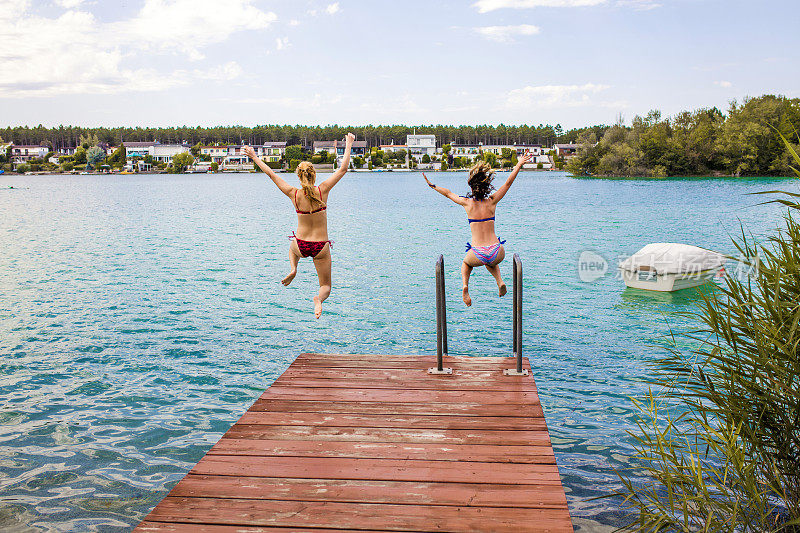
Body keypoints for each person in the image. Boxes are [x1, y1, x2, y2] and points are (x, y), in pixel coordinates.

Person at [243, 133, 356, 318]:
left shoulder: (293, 193)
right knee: (325, 286)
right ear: (314, 175)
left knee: (292, 245)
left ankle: (293, 268)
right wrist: (349, 143)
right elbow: (343, 169)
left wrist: (254, 156)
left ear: (299, 176)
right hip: (320, 247)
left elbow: (271, 174)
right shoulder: (323, 190)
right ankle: (318, 300)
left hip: (301, 244)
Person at [423, 153, 532, 306]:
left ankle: (465, 286)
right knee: (491, 260)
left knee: (466, 264)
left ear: (472, 188)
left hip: (478, 253)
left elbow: (448, 193)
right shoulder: (492, 201)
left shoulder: (467, 203)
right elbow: (508, 183)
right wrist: (519, 164)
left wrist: (433, 186)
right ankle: (499, 282)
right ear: (486, 187)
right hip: (496, 250)